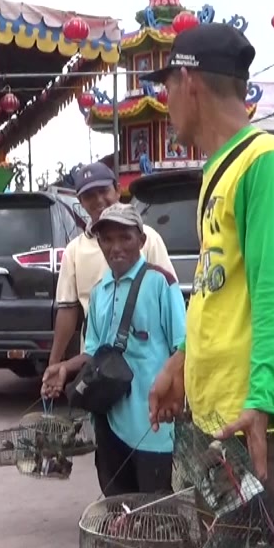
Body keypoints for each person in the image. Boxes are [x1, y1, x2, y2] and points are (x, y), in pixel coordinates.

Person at [145, 23, 274, 545]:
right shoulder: (222, 171)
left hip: (255, 423)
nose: (165, 100)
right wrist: (180, 363)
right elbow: (219, 294)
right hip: (221, 416)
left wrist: (262, 402)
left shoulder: (266, 165)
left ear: (190, 81)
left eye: (167, 86)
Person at [42, 204, 186, 496]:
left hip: (152, 426)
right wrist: (64, 368)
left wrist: (178, 397)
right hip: (108, 422)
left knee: (156, 514)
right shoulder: (99, 292)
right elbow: (95, 352)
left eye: (125, 238)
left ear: (142, 241)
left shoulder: (161, 283)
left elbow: (183, 347)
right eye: (107, 239)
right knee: (117, 508)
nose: (115, 247)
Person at [48, 162, 175, 370]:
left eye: (103, 191)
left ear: (117, 190)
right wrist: (54, 364)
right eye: (89, 195)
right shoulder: (74, 251)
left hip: (147, 366)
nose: (98, 200)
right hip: (99, 370)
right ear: (80, 201)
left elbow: (171, 305)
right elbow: (68, 309)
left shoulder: (149, 238)